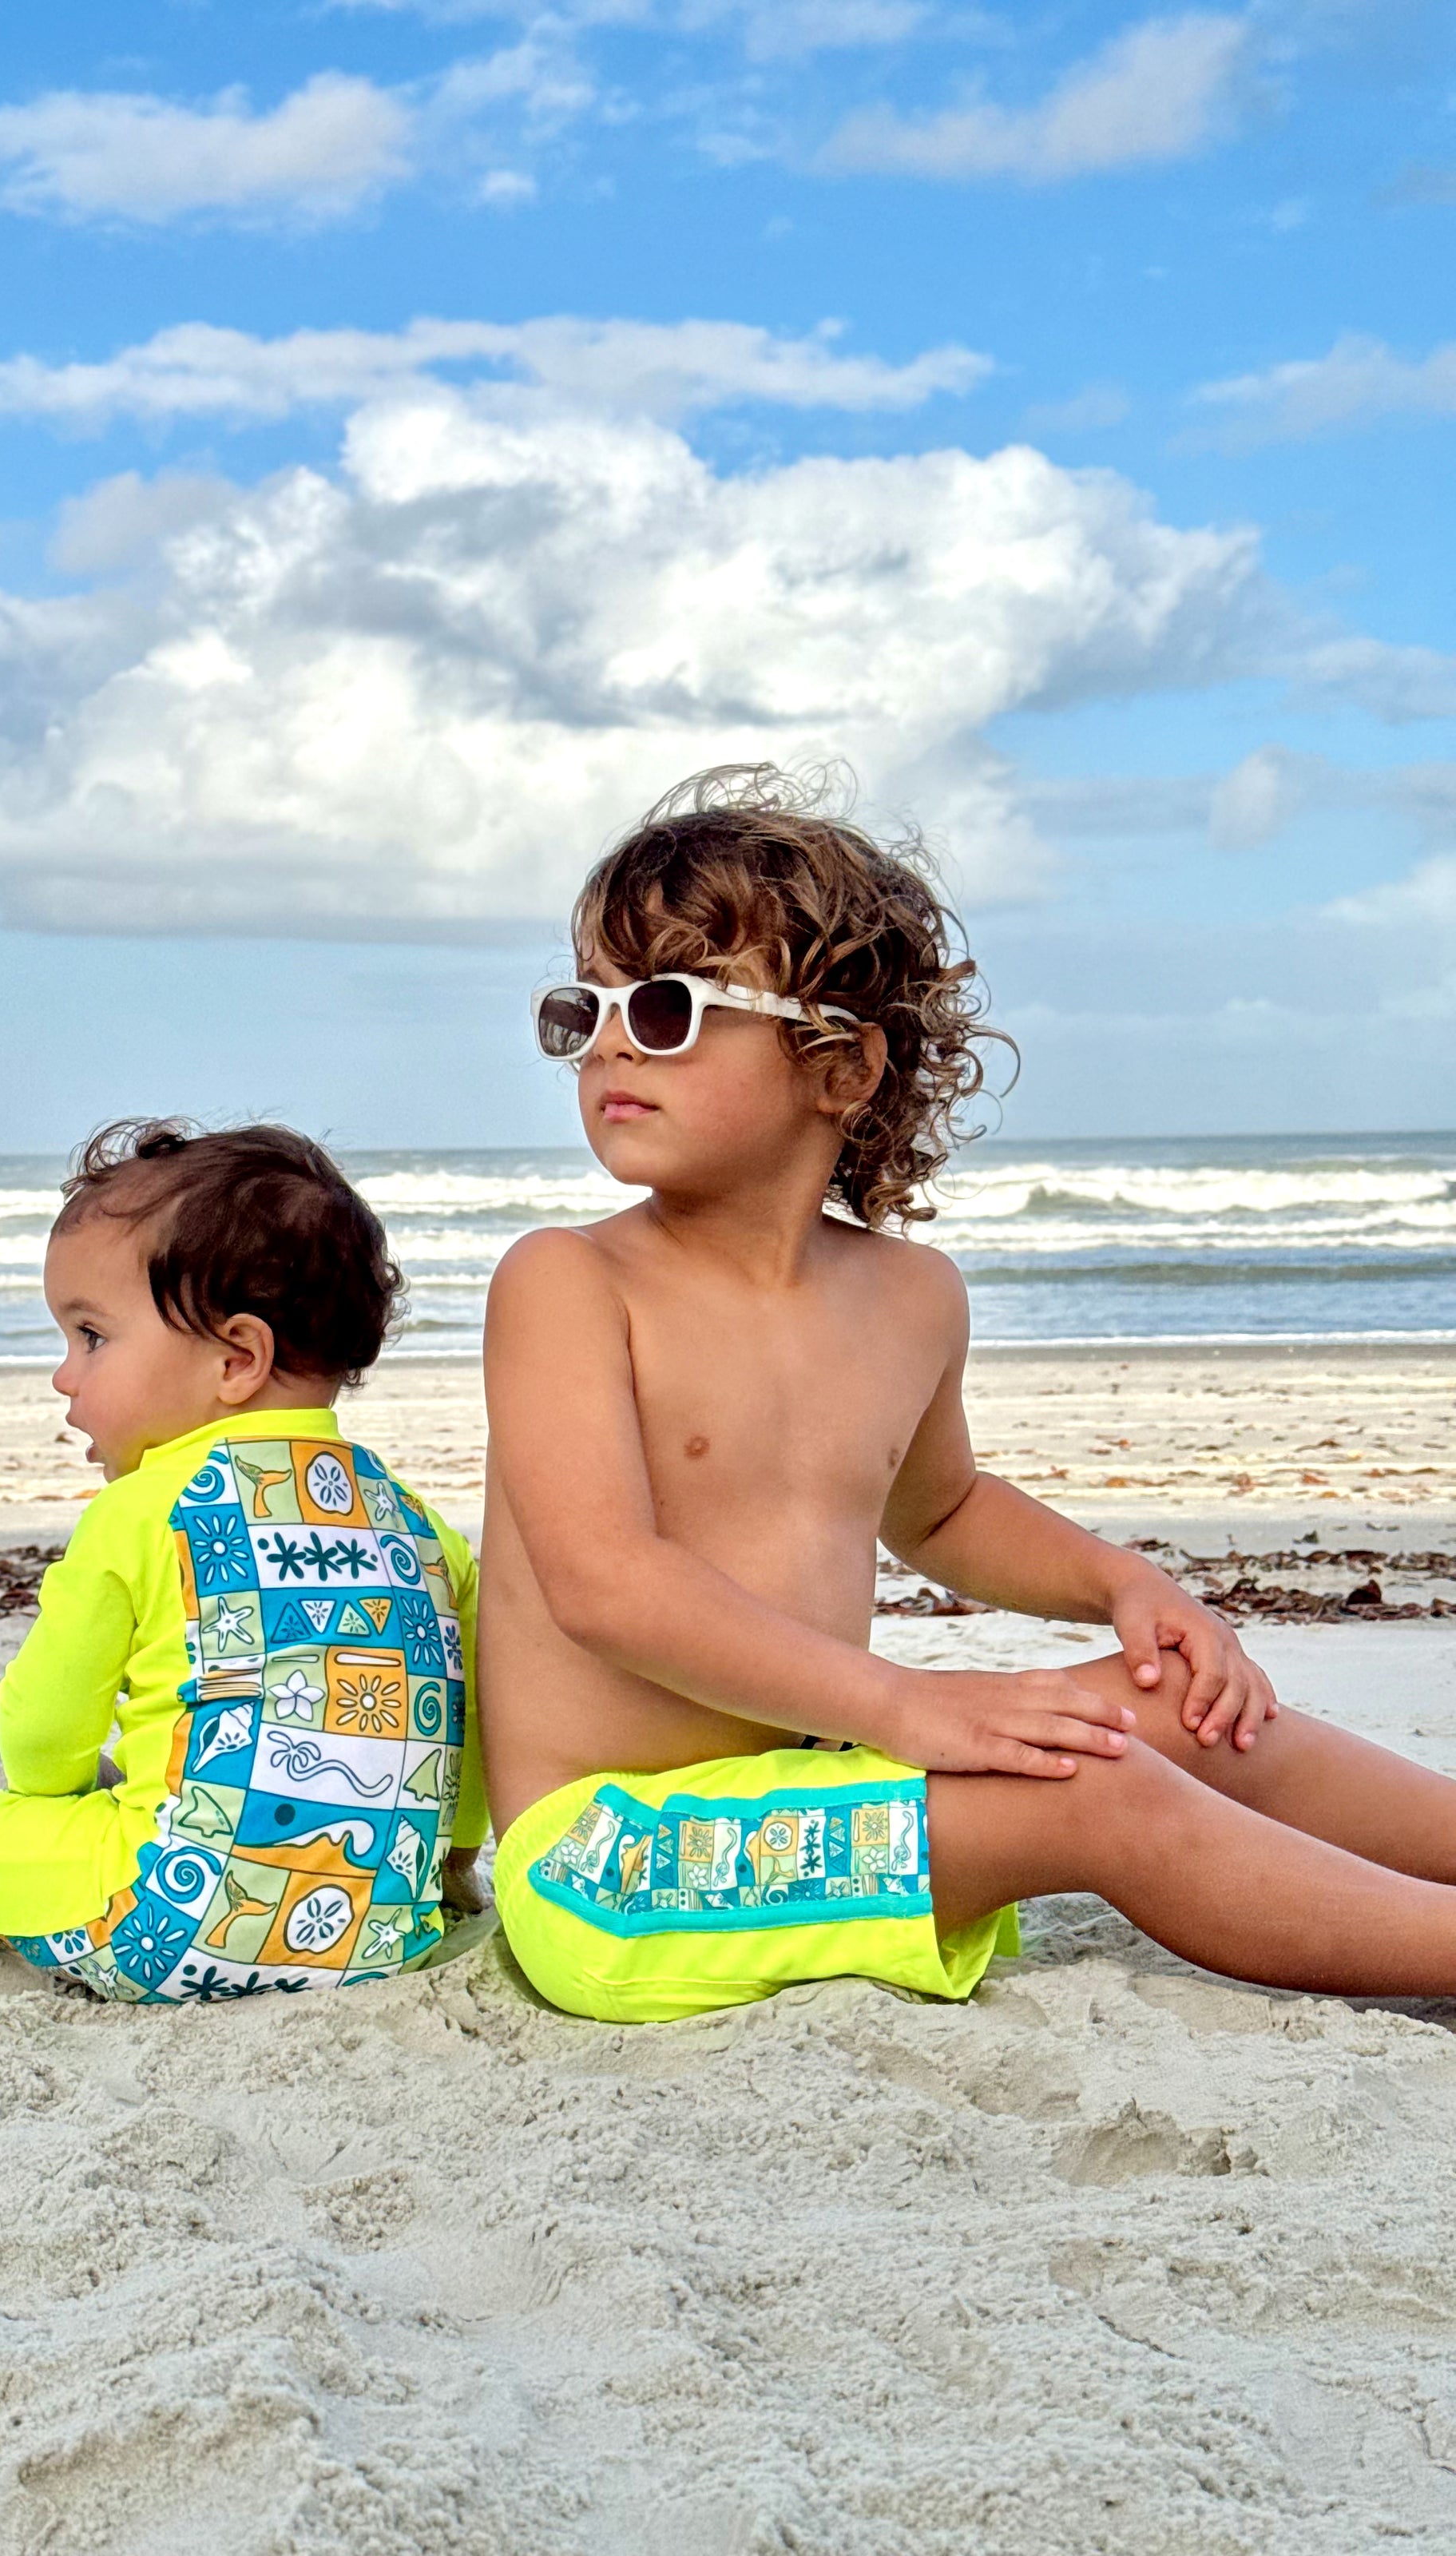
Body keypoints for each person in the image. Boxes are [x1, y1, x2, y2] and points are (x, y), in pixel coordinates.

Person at [478, 764, 1456, 2023]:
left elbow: (940, 1513)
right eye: (587, 1008)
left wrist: (1122, 1583)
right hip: (613, 1868)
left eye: (669, 1007)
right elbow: (605, 1583)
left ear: (843, 1067)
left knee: (1172, 1709)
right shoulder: (569, 1282)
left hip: (817, 1787)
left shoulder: (911, 1297)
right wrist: (904, 1703)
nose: (613, 1040)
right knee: (1095, 1787)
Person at [0, 1120, 485, 2004]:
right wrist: (452, 1862)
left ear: (238, 1358)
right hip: (376, 1933)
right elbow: (473, 1737)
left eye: (91, 1336)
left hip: (166, 1923)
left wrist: (60, 1797)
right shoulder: (421, 1526)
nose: (64, 1376)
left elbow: (41, 1743)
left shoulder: (141, 1510)